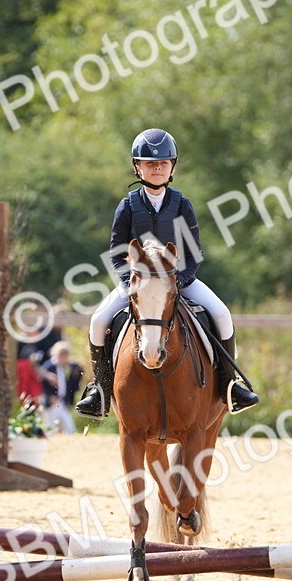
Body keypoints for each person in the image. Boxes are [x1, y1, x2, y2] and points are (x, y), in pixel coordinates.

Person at [75, 128, 260, 418]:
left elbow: (193, 254)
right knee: (99, 320)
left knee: (222, 314)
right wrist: (131, 283)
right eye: (150, 164)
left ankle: (230, 385)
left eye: (163, 163)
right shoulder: (127, 206)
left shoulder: (182, 205)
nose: (157, 168)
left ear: (172, 167)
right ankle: (100, 389)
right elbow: (116, 253)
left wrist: (177, 282)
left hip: (179, 282)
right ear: (138, 167)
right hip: (138, 285)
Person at [39, 341, 83, 434]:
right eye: (62, 356)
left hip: (61, 401)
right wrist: (49, 395)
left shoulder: (64, 367)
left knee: (69, 427)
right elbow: (41, 381)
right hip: (51, 401)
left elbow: (78, 369)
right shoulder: (49, 366)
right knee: (49, 428)